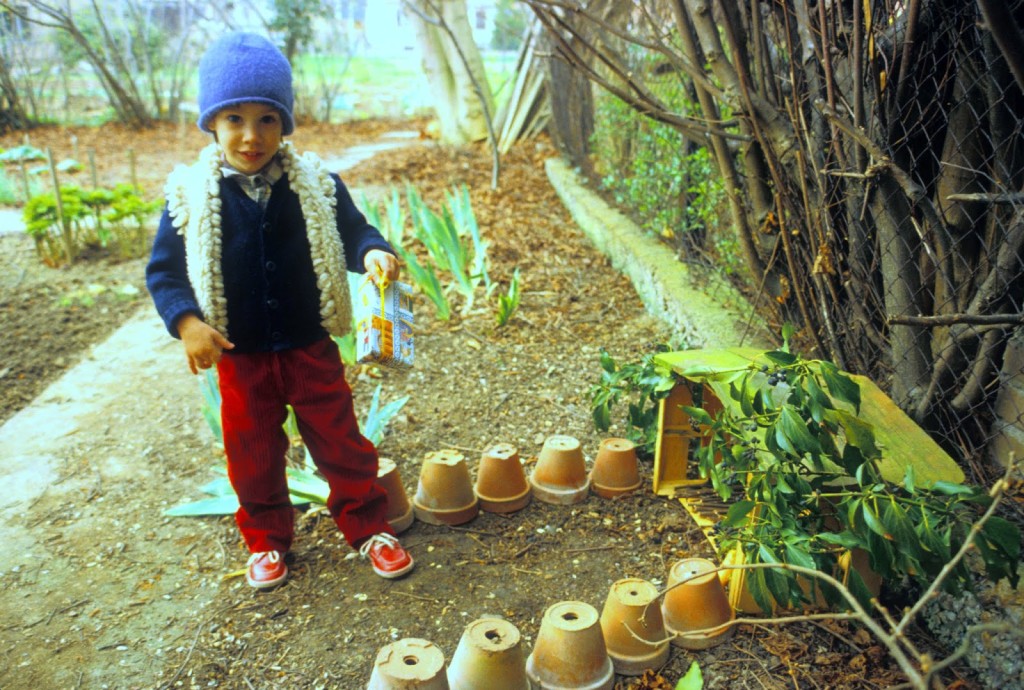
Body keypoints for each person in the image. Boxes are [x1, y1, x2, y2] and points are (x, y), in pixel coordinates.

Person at [146, 32, 414, 589]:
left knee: (341, 439)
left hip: (308, 345)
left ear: (285, 124)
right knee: (253, 452)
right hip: (239, 355)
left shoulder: (315, 184)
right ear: (212, 124)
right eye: (235, 120)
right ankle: (267, 539)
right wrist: (188, 322)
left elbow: (354, 229)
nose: (251, 136)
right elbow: (165, 272)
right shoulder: (190, 197)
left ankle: (368, 526)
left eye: (268, 119)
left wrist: (373, 253)